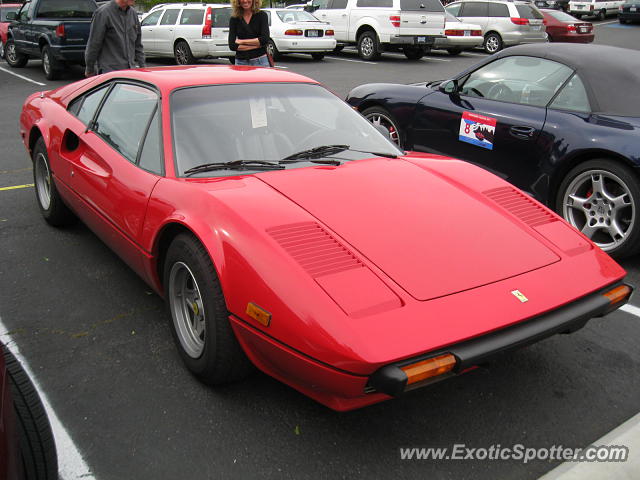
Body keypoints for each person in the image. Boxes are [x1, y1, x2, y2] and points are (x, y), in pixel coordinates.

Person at [85, 0, 145, 77]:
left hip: (130, 73)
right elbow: (94, 44)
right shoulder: (103, 13)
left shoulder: (133, 14)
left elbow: (138, 45)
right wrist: (90, 69)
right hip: (110, 74)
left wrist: (143, 68)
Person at [228, 0, 271, 67]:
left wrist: (242, 41)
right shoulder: (234, 19)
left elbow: (265, 39)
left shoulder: (262, 15)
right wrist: (258, 45)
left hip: (261, 61)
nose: (245, 1)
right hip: (240, 62)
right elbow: (232, 45)